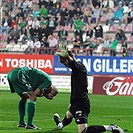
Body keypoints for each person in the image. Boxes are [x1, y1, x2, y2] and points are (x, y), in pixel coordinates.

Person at [53, 43, 124, 133]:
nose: (64, 64)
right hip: (75, 102)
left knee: (83, 131)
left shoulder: (79, 68)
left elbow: (72, 63)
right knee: (68, 114)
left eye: (65, 62)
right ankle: (60, 125)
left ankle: (110, 127)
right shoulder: (77, 68)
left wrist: (67, 58)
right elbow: (71, 63)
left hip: (81, 104)